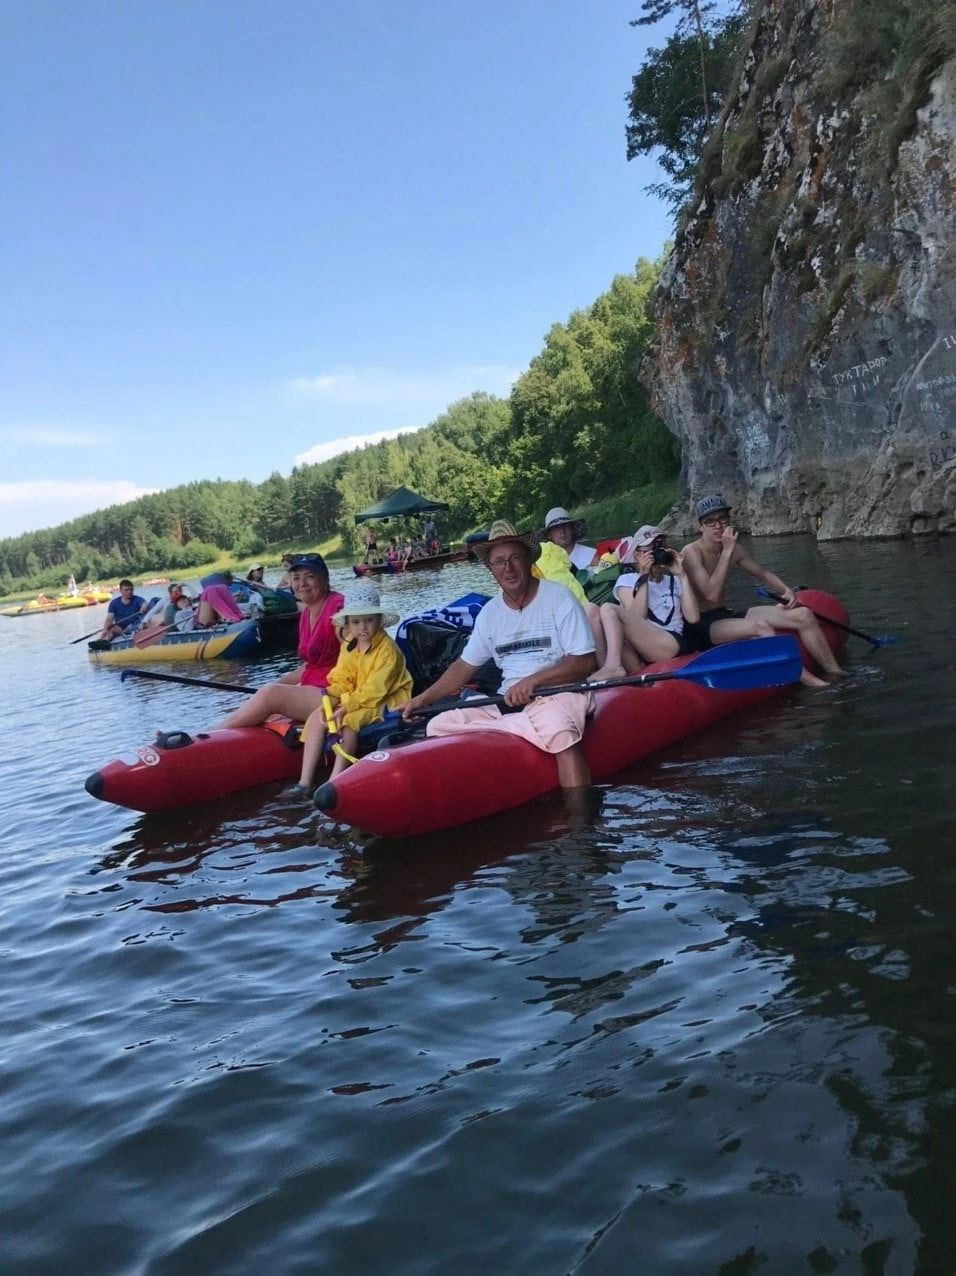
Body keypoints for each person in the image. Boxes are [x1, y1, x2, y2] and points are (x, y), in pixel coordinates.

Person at [401, 520, 597, 796]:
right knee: (438, 725)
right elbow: (463, 667)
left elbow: (584, 662)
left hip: (559, 693)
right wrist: (423, 699)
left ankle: (581, 828)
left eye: (514, 558)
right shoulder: (490, 614)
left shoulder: (558, 598)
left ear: (528, 559)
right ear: (490, 569)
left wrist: (533, 681)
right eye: (499, 562)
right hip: (507, 700)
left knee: (560, 732)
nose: (508, 568)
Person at [681, 494, 844, 687]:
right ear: (700, 526)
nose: (718, 526)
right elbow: (711, 595)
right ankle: (811, 682)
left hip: (723, 613)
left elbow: (763, 574)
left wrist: (785, 590)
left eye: (723, 519)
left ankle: (837, 673)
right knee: (760, 626)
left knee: (804, 615)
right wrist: (727, 552)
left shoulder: (734, 549)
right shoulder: (692, 552)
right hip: (700, 625)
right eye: (710, 522)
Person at [294, 584, 412, 792]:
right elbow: (342, 677)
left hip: (386, 700)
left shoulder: (388, 651)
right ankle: (304, 781)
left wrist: (345, 707)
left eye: (369, 621)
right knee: (317, 717)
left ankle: (334, 779)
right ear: (348, 624)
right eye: (356, 622)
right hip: (356, 695)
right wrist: (330, 699)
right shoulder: (349, 643)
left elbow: (375, 690)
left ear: (378, 620)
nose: (363, 627)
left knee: (349, 722)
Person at [212, 554, 345, 731]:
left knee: (270, 695)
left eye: (309, 576)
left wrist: (272, 691)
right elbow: (312, 666)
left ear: (325, 579)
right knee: (267, 703)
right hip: (316, 686)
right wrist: (279, 684)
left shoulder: (339, 609)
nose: (302, 583)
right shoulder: (306, 614)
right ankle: (212, 736)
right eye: (296, 578)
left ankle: (202, 737)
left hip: (338, 692)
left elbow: (359, 653)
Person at [534, 535, 629, 681]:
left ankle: (606, 668)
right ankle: (604, 668)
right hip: (552, 616)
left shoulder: (551, 550)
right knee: (591, 610)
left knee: (591, 610)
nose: (562, 532)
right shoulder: (549, 553)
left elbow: (569, 566)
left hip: (576, 604)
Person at [612, 526, 704, 664]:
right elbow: (637, 618)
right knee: (608, 611)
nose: (657, 553)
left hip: (672, 642)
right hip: (642, 645)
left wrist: (682, 576)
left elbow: (693, 618)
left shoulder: (674, 580)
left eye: (661, 547)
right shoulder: (627, 580)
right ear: (637, 555)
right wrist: (644, 576)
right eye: (652, 549)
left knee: (609, 609)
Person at [539, 507, 597, 573]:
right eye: (556, 527)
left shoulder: (591, 556)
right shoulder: (544, 562)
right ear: (549, 534)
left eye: (565, 525)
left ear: (572, 529)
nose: (562, 531)